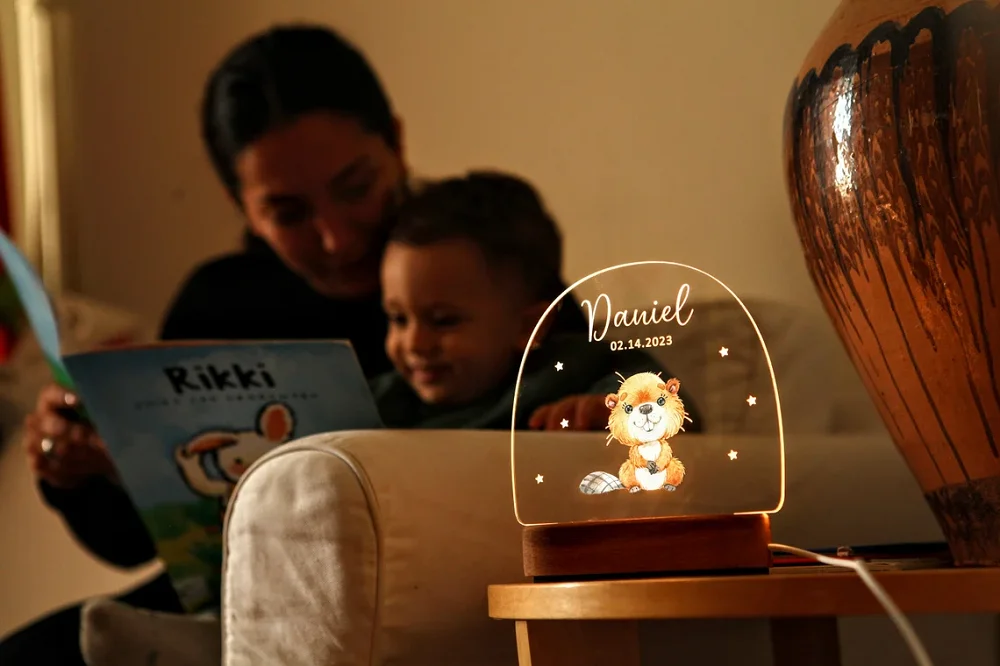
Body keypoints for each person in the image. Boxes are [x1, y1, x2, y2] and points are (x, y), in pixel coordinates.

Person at [2, 23, 589, 664]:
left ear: (396, 142)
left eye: (355, 187)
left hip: (420, 584)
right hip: (235, 582)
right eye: (288, 213)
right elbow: (137, 543)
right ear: (240, 205)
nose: (336, 237)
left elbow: (590, 416)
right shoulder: (221, 300)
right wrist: (80, 468)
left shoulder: (478, 262)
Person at [372, 170, 668, 429]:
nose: (414, 343)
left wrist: (606, 410)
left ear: (529, 326)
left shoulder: (572, 371)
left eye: (443, 321)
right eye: (399, 319)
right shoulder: (383, 403)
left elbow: (661, 401)